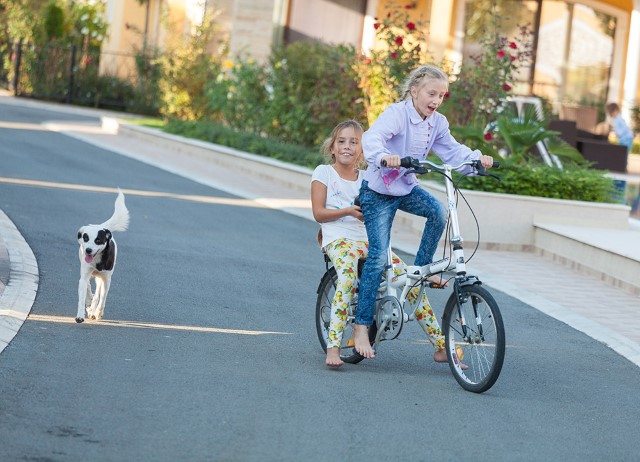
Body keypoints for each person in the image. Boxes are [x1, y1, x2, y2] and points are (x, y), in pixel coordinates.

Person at [354, 64, 495, 359]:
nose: (436, 100)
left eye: (441, 96)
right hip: (377, 192)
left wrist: (476, 160)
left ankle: (420, 272)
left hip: (405, 188)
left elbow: (453, 151)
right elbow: (373, 137)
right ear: (414, 91)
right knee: (377, 257)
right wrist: (384, 156)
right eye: (432, 93)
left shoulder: (437, 122)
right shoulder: (397, 114)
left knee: (438, 212)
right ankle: (361, 327)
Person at [311, 120, 448, 368]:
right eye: (341, 141)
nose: (347, 146)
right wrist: (348, 211)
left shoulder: (368, 178)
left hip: (369, 241)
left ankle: (440, 346)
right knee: (347, 279)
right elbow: (318, 213)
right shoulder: (324, 173)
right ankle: (333, 348)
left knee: (410, 280)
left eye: (354, 142)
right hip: (339, 239)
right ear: (332, 147)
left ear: (363, 151)